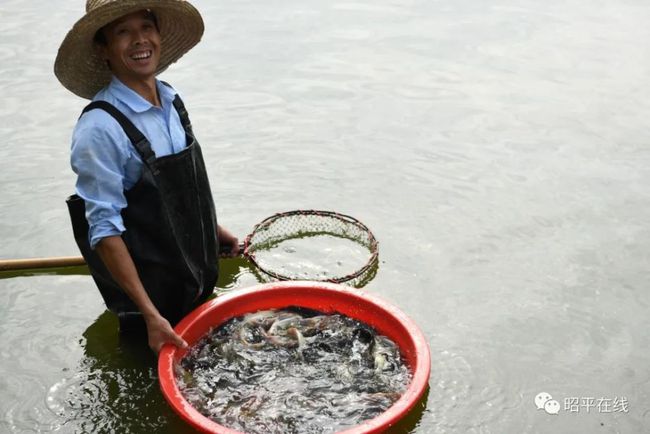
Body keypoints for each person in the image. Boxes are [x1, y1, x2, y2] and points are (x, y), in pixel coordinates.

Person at [54, 0, 238, 353]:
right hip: (153, 316)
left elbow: (178, 193)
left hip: (195, 285)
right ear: (103, 48)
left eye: (146, 27)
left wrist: (213, 232)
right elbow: (105, 232)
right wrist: (152, 316)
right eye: (123, 31)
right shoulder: (99, 129)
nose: (139, 40)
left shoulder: (171, 100)